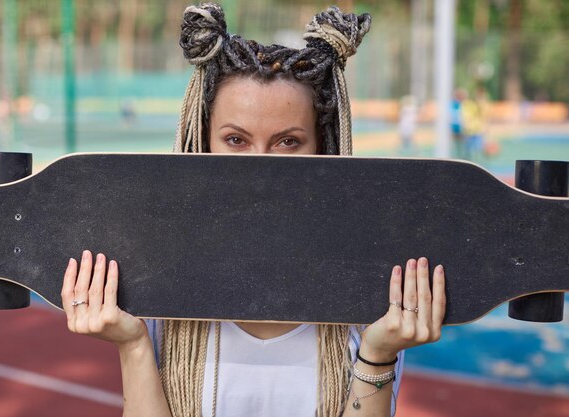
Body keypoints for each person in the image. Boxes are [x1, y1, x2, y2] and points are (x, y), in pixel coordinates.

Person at [60, 4, 446, 417]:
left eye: (287, 141)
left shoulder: (367, 294)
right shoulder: (157, 285)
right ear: (203, 141)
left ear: (323, 149)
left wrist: (378, 353)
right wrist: (134, 346)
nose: (260, 168)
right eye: (236, 139)